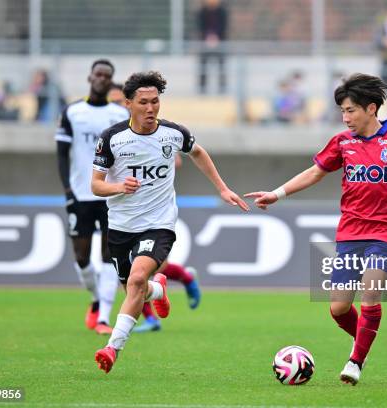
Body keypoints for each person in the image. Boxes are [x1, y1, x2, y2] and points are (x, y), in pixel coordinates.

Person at [245, 73, 387, 385]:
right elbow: (315, 172)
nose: (345, 117)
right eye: (342, 111)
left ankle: (356, 361)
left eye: (350, 110)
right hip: (350, 233)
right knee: (339, 307)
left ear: (370, 108)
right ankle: (364, 341)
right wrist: (277, 193)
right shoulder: (343, 142)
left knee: (370, 294)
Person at [92, 70, 248, 373]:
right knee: (135, 290)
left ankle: (112, 349)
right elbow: (96, 185)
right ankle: (159, 290)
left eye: (155, 102)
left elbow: (198, 153)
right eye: (143, 103)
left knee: (137, 279)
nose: (151, 109)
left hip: (159, 223)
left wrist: (223, 188)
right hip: (121, 226)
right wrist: (119, 186)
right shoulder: (112, 139)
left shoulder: (173, 133)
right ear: (128, 104)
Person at [55, 60, 130, 335]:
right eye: (98, 74)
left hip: (110, 195)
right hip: (81, 195)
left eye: (107, 76)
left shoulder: (119, 114)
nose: (102, 79)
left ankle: (103, 318)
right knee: (82, 257)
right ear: (90, 77)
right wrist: (67, 191)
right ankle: (97, 298)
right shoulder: (72, 112)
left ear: (111, 82)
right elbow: (62, 154)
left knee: (110, 255)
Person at [197, 0, 228, 94]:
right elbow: (200, 27)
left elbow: (224, 27)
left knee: (222, 65)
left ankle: (222, 89)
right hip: (204, 42)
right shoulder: (202, 12)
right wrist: (208, 37)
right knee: (203, 65)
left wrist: (216, 37)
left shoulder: (222, 12)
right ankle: (202, 90)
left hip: (220, 41)